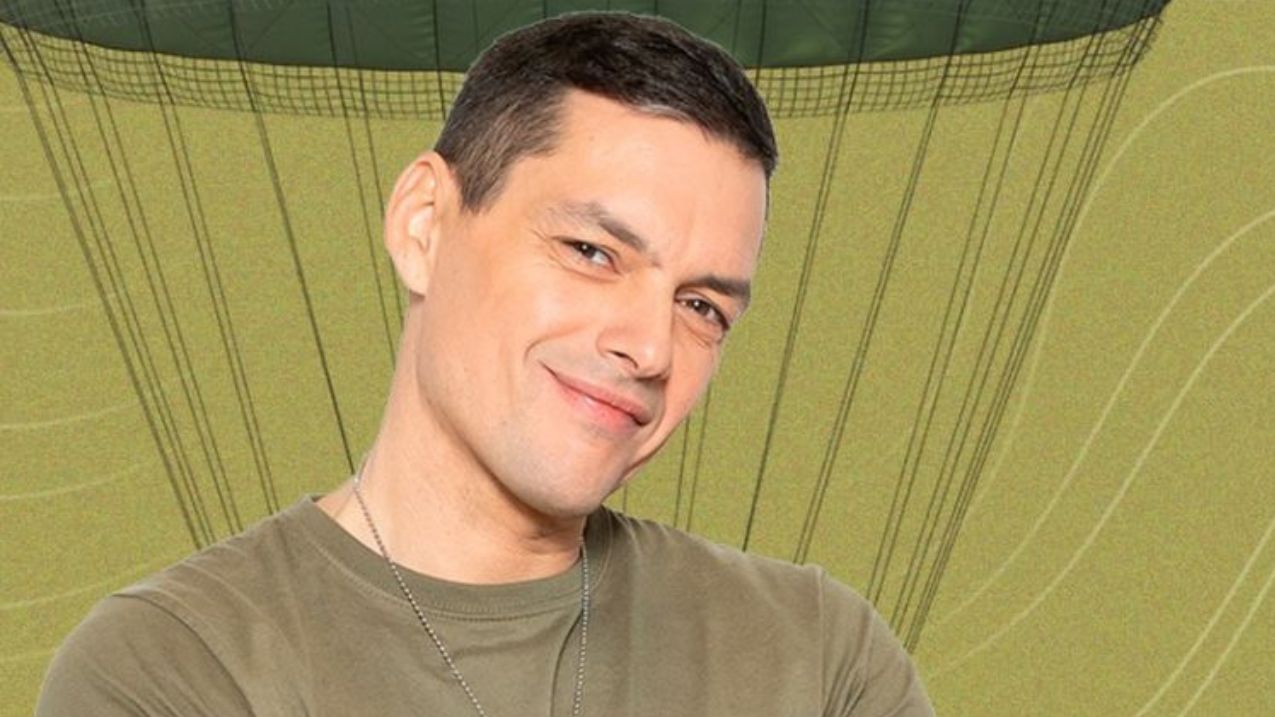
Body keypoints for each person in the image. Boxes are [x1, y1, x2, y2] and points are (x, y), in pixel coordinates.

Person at [36, 11, 934, 716]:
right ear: (424, 224)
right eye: (591, 252)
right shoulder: (175, 666)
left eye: (700, 306)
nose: (649, 346)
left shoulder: (817, 656)